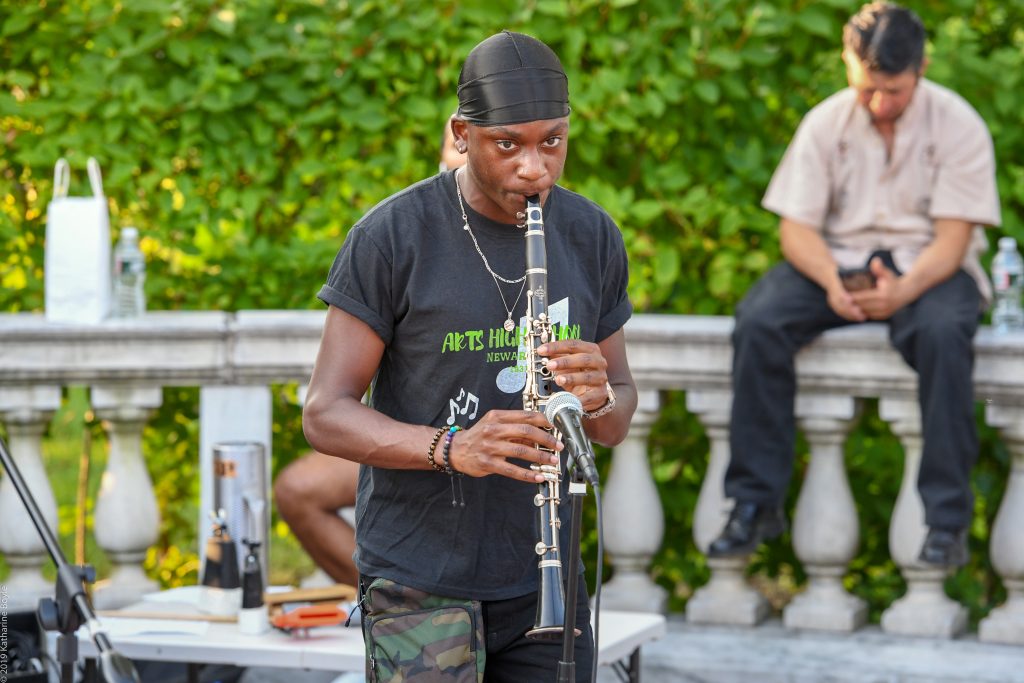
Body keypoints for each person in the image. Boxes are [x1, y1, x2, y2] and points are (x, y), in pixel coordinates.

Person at [303, 30, 637, 682]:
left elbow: (617, 416)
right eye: (506, 144)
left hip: (544, 576)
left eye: (553, 142)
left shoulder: (591, 234)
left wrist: (597, 396)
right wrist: (454, 447)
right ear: (462, 133)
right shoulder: (393, 235)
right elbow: (324, 413)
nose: (534, 167)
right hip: (419, 577)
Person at [708, 2, 1001, 569]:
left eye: (891, 90)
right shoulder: (827, 120)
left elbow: (955, 238)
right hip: (836, 263)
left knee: (944, 333)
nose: (877, 103)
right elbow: (795, 229)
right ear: (848, 62)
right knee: (759, 321)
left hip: (932, 268)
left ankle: (947, 520)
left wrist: (904, 290)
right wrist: (830, 281)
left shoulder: (958, 123)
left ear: (920, 67)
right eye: (865, 87)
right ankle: (753, 503)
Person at [273, 119, 467, 589]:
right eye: (454, 148)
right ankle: (387, 598)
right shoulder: (404, 231)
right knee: (297, 489)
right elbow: (326, 409)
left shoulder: (549, 226)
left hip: (504, 454)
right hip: (424, 436)